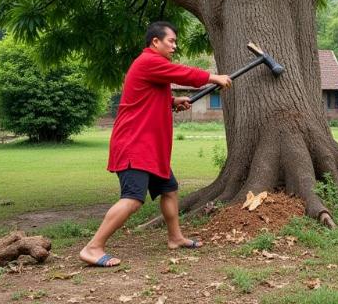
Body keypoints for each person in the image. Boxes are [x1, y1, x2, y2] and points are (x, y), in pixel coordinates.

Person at [79, 21, 232, 268]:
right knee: (133, 198)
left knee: (169, 189)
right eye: (171, 41)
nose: (174, 46)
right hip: (134, 144)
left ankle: (175, 237)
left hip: (149, 148)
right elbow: (184, 73)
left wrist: (171, 101)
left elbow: (148, 95)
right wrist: (213, 76)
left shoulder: (151, 67)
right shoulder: (149, 61)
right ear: (155, 42)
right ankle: (93, 247)